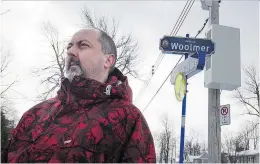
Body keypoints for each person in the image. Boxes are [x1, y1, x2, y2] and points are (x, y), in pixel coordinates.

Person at [1, 28, 156, 163]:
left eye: (83, 45)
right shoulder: (35, 114)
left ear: (108, 60)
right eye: (69, 46)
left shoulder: (127, 118)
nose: (71, 51)